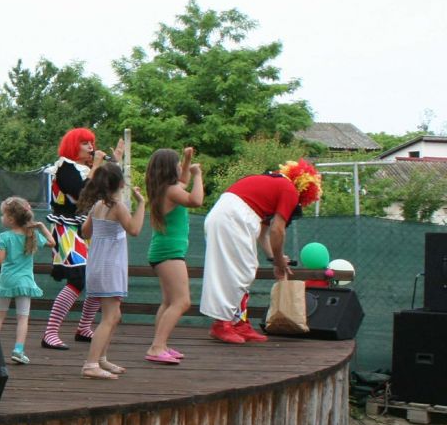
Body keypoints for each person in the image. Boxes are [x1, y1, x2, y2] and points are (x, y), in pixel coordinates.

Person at [200, 159, 322, 344]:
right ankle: (222, 324)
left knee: (243, 269)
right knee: (239, 271)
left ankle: (238, 323)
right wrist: (279, 261)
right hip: (234, 218)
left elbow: (263, 234)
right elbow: (277, 230)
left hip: (227, 215)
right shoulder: (289, 190)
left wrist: (274, 259)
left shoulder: (272, 184)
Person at [42, 127, 122, 350]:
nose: (91, 147)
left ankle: (84, 328)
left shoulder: (88, 169)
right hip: (66, 228)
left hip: (87, 228)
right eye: (85, 143)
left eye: (91, 143)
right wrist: (96, 166)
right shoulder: (65, 167)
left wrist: (116, 161)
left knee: (96, 278)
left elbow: (110, 189)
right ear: (73, 146)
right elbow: (81, 194)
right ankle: (50, 333)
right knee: (77, 278)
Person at [78, 163, 145, 380]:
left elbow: (85, 232)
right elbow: (134, 229)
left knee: (115, 315)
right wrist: (141, 204)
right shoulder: (117, 206)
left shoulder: (97, 205)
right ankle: (91, 364)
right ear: (121, 183)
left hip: (97, 264)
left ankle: (101, 358)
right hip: (110, 267)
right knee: (110, 317)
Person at [0, 197, 52, 364]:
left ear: (11, 219)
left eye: (3, 214)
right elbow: (52, 242)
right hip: (24, 282)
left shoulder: (4, 236)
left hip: (6, 281)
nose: (1, 217)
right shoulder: (32, 234)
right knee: (23, 318)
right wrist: (42, 226)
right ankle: (18, 350)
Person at [144, 147, 204, 363]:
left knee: (169, 301)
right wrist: (198, 175)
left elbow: (183, 181)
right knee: (182, 301)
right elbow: (196, 200)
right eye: (178, 163)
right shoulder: (171, 191)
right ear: (170, 168)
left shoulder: (165, 189)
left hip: (163, 251)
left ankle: (160, 344)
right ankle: (156, 347)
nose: (181, 167)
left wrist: (187, 160)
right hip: (169, 252)